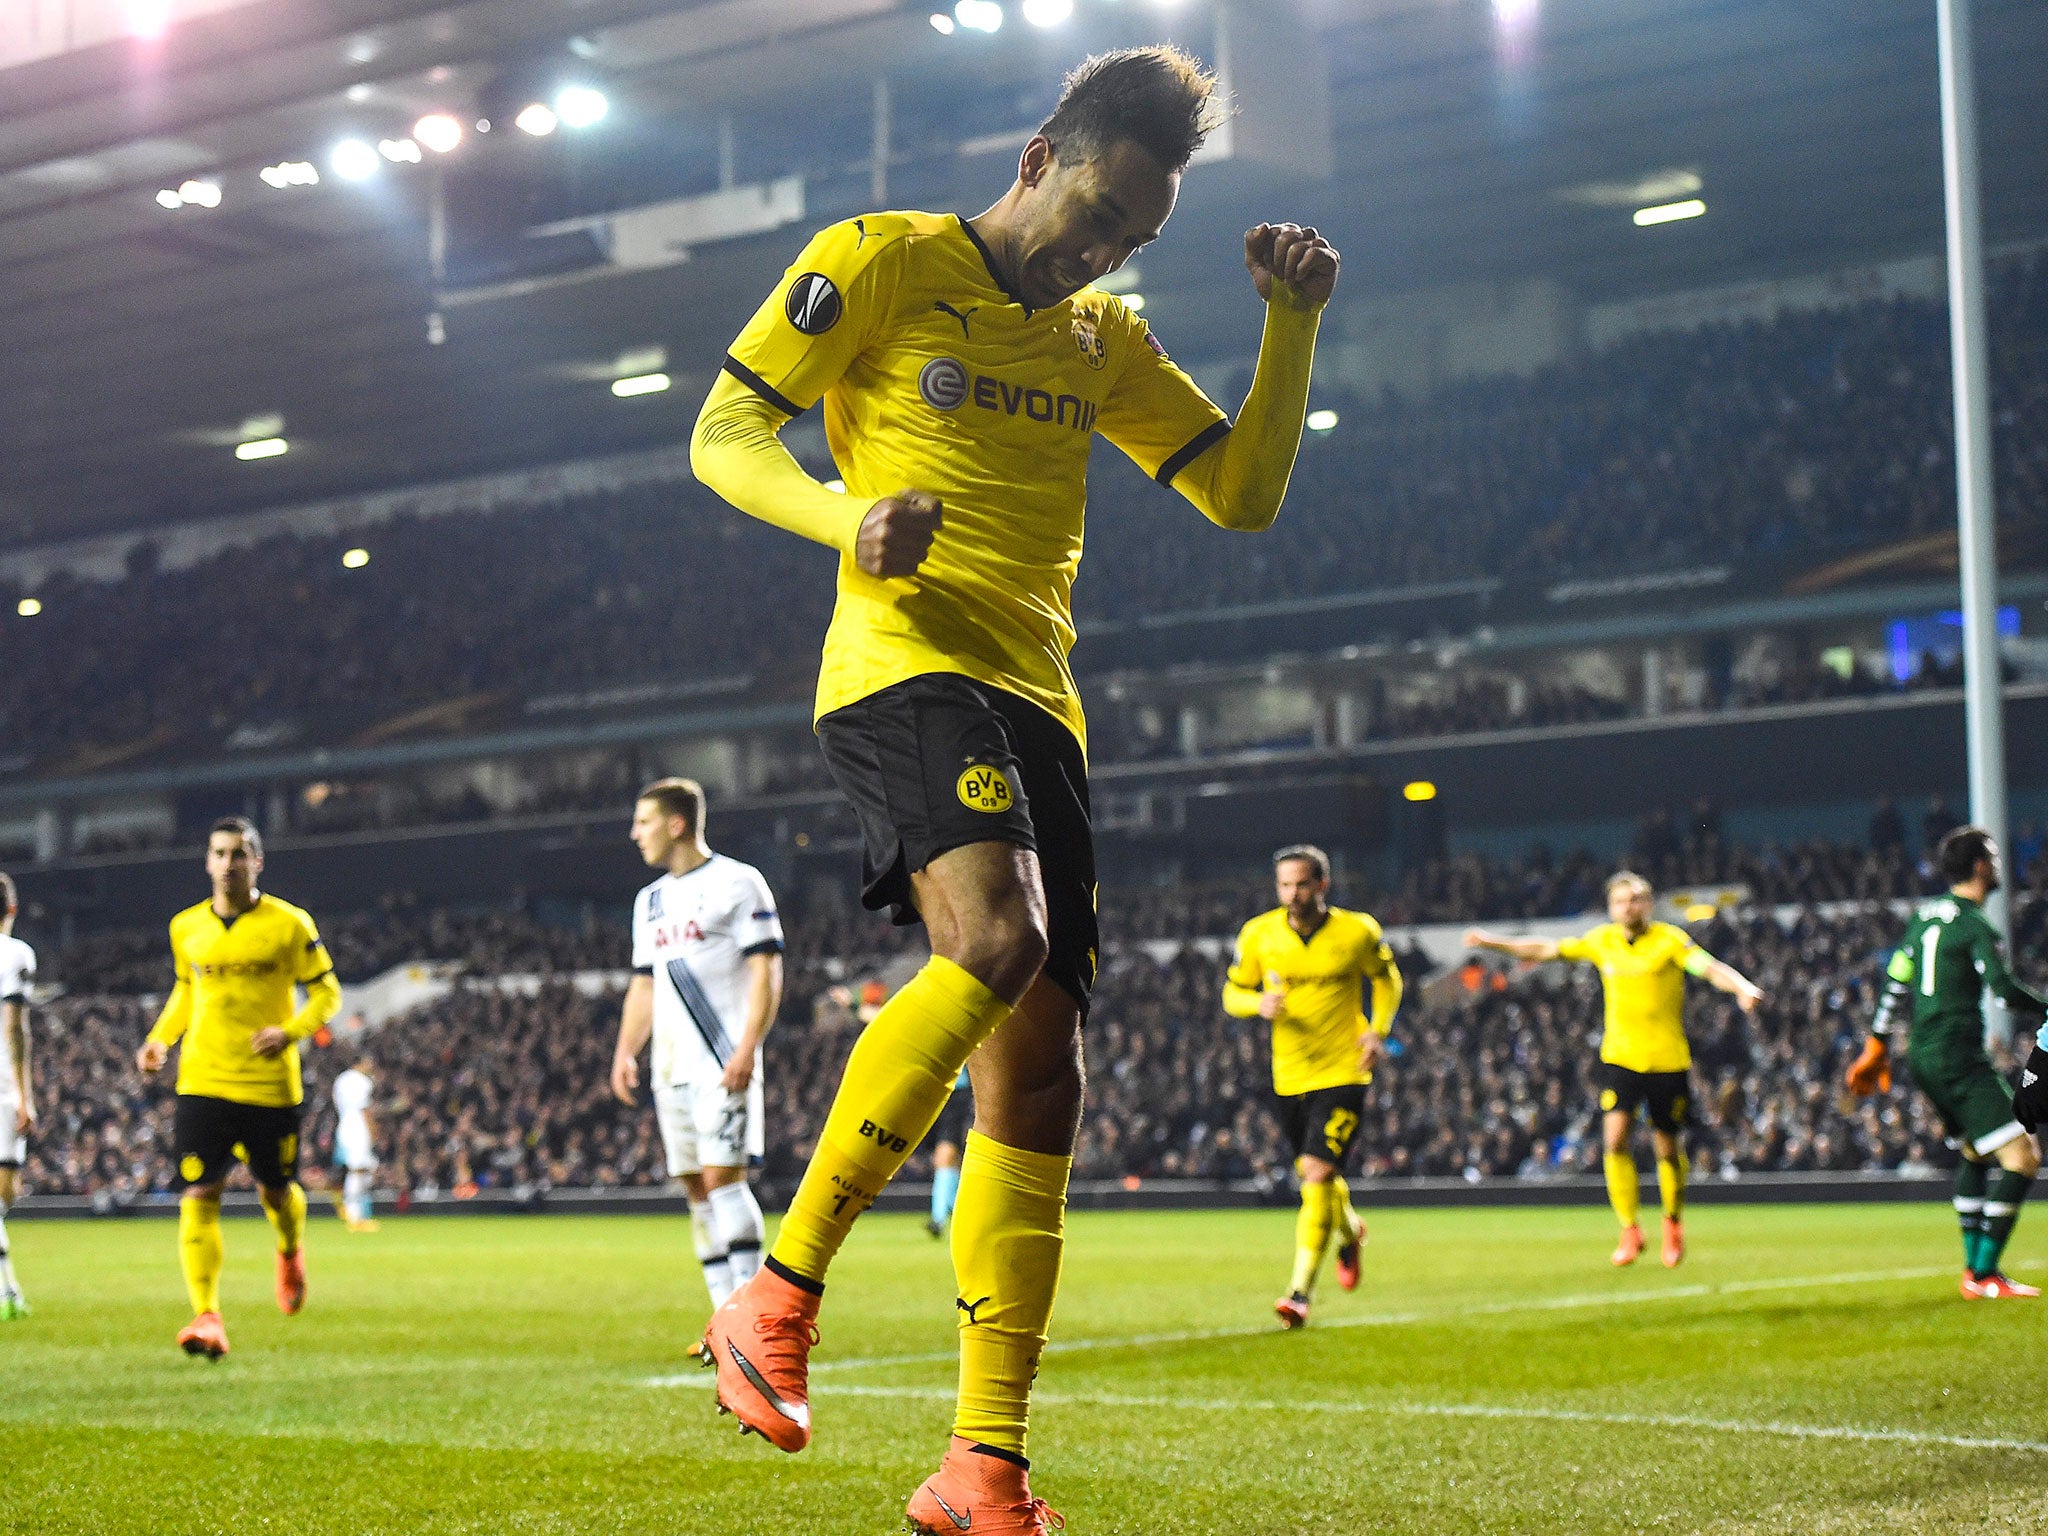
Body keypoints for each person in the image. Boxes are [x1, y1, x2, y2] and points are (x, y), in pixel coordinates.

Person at [688, 44, 1338, 1532]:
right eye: (1097, 213)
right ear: (1042, 156)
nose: (1103, 253)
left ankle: (982, 1464)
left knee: (1040, 1071)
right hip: (906, 665)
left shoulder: (1100, 340)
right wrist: (844, 518)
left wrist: (1287, 331)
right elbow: (724, 433)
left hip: (1043, 705)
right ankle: (774, 1296)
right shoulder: (883, 261)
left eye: (1135, 240)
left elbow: (1241, 497)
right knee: (994, 944)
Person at [1465, 872, 1763, 1269]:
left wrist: (1742, 987)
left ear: (1650, 902)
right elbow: (1544, 948)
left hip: (1667, 1059)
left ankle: (1672, 1223)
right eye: (1622, 901)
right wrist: (1492, 942)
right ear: (1611, 907)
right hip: (1620, 1057)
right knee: (1615, 1140)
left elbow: (1708, 968)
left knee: (1666, 1149)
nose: (1630, 907)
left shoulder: (1670, 941)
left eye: (1637, 899)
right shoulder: (1602, 941)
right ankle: (1629, 1229)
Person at [134, 817, 341, 1358]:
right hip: (202, 1080)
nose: (228, 863)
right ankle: (207, 1316)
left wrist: (291, 1031)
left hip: (270, 1086)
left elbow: (327, 993)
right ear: (207, 861)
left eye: (239, 854)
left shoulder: (290, 924)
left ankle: (290, 1250)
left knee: (276, 1190)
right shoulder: (186, 927)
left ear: (258, 862)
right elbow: (187, 989)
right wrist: (160, 1039)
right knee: (199, 1194)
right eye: (219, 853)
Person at [1846, 826, 2046, 1298]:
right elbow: (2001, 988)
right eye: (1992, 857)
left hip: (1923, 1054)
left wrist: (1876, 1041)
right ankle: (1984, 1274)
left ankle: (1974, 1274)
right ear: (1979, 865)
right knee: (2022, 1159)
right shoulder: (1975, 926)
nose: (1996, 865)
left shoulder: (1922, 919)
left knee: (1976, 1152)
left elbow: (1896, 978)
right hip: (1958, 1055)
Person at [611, 779, 784, 1317]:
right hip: (671, 1067)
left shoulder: (739, 882)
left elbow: (766, 968)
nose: (634, 833)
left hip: (722, 1058)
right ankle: (721, 1317)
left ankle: (753, 1318)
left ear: (676, 823)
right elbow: (645, 984)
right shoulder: (650, 901)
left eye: (644, 822)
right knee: (695, 1189)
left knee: (723, 1180)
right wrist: (624, 1051)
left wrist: (748, 1046)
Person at [1223, 845, 1400, 1328]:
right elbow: (1232, 991)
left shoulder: (1357, 930)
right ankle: (1351, 1231)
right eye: (1284, 885)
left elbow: (1387, 981)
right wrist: (1255, 1004)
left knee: (1317, 1175)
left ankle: (1299, 1292)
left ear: (1322, 884)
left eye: (1301, 884)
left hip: (1344, 1070)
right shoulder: (1259, 934)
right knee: (1317, 1176)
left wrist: (1377, 1030)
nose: (1292, 893)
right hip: (1289, 1074)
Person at [0, 872, 36, 1320]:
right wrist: (26, 1095)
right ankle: (8, 1289)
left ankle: (8, 1288)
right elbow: (15, 1027)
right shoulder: (16, 955)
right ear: (13, 909)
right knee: (5, 1190)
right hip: (3, 1088)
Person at [331, 1054, 379, 1232]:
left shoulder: (341, 1079)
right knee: (358, 1170)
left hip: (344, 1124)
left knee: (360, 1169)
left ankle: (356, 1213)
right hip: (358, 1127)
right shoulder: (362, 1081)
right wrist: (373, 1131)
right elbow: (365, 1109)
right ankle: (354, 1216)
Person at [924, 1067, 973, 1239]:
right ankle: (961, 1216)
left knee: (946, 1156)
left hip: (956, 1092)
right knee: (947, 1161)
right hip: (937, 1090)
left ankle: (938, 1219)